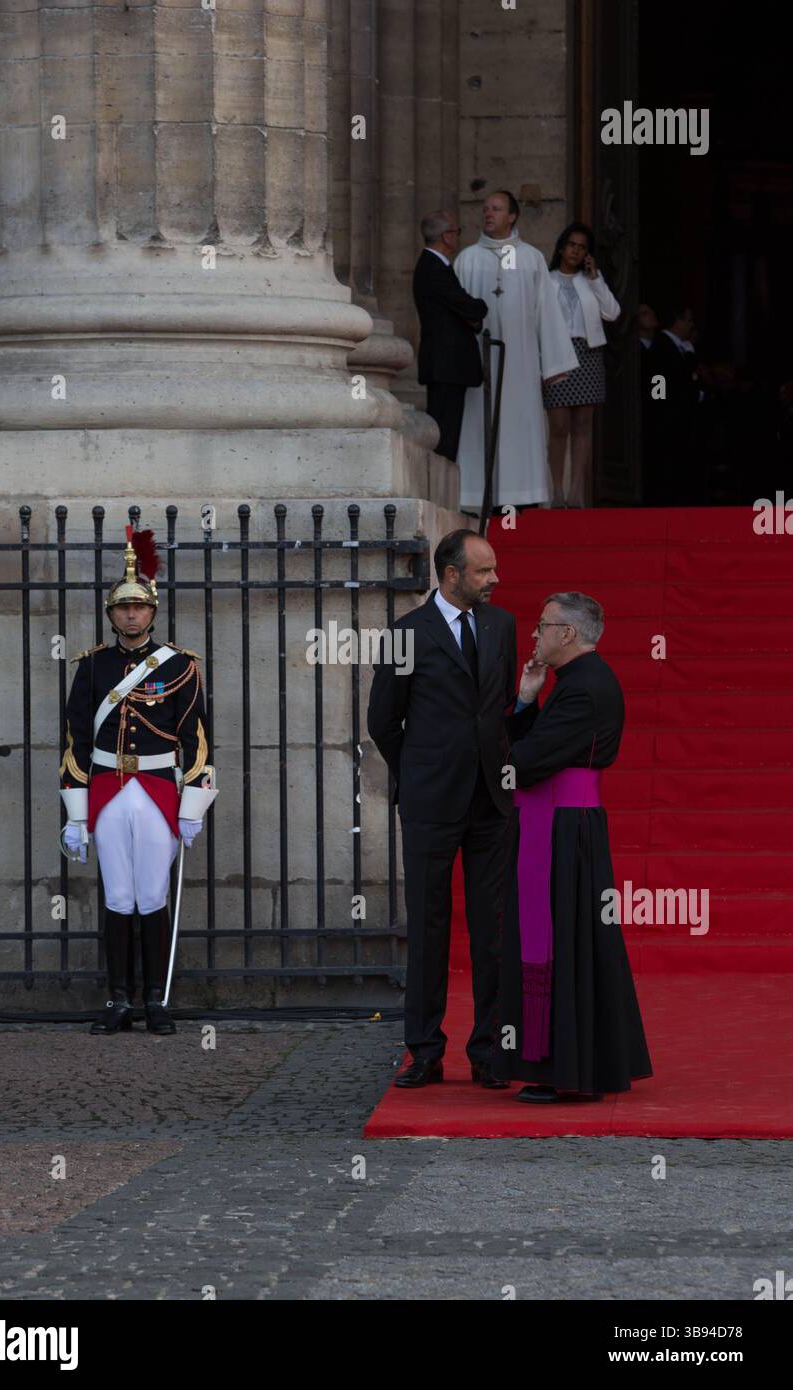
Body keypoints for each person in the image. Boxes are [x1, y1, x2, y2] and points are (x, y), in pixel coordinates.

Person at [367, 529, 517, 1089]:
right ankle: (425, 1051)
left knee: (492, 928)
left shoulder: (501, 625)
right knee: (429, 928)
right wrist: (421, 774)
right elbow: (383, 720)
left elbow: (499, 707)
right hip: (431, 803)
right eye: (484, 571)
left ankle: (490, 1050)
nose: (494, 579)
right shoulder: (408, 634)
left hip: (491, 801)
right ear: (451, 574)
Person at [493, 592, 652, 1100]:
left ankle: (568, 1072)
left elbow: (526, 760)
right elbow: (534, 747)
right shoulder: (578, 681)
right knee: (575, 942)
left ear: (567, 634)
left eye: (542, 625)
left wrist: (514, 733)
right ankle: (579, 1064)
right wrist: (525, 699)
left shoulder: (584, 688)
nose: (535, 634)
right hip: (562, 825)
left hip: (562, 829)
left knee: (565, 943)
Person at [60, 527, 218, 1035]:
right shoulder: (93, 665)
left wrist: (192, 808)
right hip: (107, 790)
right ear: (112, 615)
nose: (131, 615)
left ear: (152, 612)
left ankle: (155, 1000)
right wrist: (76, 815)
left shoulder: (180, 665)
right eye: (123, 608)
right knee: (117, 896)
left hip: (156, 792)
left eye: (139, 608)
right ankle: (117, 1001)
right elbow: (76, 740)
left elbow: (196, 738)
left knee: (152, 894)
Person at [453, 190, 578, 511]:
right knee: (478, 426)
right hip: (479, 366)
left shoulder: (531, 258)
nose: (488, 214)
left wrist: (551, 364)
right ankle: (476, 497)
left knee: (519, 426)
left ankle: (521, 497)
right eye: (485, 209)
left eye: (496, 209)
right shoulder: (467, 259)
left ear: (512, 216)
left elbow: (546, 313)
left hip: (520, 365)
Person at [543, 223, 620, 508]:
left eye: (582, 247)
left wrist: (596, 278)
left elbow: (612, 313)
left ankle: (576, 492)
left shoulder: (591, 281)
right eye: (572, 245)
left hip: (587, 353)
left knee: (583, 425)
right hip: (557, 352)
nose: (576, 250)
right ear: (562, 248)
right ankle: (557, 490)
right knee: (559, 425)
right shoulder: (546, 280)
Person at [412, 210, 488, 462]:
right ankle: (442, 499)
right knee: (444, 441)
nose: (457, 236)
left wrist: (470, 313)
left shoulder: (435, 267)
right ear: (446, 236)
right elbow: (470, 307)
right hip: (446, 365)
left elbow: (462, 310)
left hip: (447, 366)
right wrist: (476, 310)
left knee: (447, 436)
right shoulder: (434, 268)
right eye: (457, 231)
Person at [644, 305, 700, 503]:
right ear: (678, 321)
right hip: (668, 422)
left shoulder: (679, 346)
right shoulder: (661, 346)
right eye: (689, 320)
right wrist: (661, 411)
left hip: (679, 420)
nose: (691, 325)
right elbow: (657, 382)